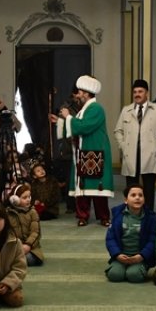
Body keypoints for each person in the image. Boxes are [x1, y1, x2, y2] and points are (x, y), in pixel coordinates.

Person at [52, 76, 114, 228]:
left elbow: (83, 126)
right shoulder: (84, 110)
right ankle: (82, 215)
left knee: (97, 187)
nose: (77, 95)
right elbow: (77, 125)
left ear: (87, 93)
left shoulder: (96, 109)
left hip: (94, 152)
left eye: (79, 92)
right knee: (83, 185)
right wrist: (60, 121)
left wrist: (67, 117)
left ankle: (103, 216)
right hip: (84, 153)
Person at [113, 79, 156, 195]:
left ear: (147, 93)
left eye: (140, 91)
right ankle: (131, 212)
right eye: (135, 92)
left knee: (149, 189)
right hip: (130, 153)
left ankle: (148, 212)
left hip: (150, 153)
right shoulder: (126, 110)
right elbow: (118, 131)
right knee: (131, 189)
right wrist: (123, 146)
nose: (137, 94)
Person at [105, 185, 156, 283]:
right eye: (133, 195)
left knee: (134, 276)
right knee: (114, 275)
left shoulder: (151, 218)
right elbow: (110, 238)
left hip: (139, 257)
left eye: (140, 195)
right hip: (121, 256)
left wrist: (142, 256)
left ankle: (140, 267)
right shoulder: (117, 216)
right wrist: (117, 254)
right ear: (126, 200)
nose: (137, 198)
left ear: (144, 199)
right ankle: (120, 267)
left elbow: (152, 240)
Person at [6, 183, 43, 266]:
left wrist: (28, 245)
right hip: (14, 248)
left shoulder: (32, 212)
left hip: (31, 248)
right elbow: (7, 233)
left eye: (29, 197)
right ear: (14, 199)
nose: (28, 200)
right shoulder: (8, 214)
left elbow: (35, 232)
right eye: (24, 198)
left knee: (30, 258)